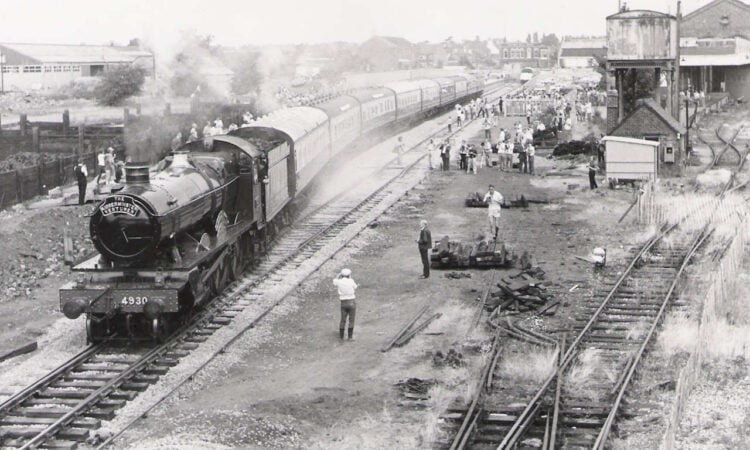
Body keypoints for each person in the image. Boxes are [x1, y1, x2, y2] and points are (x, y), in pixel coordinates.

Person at [333, 268, 358, 341]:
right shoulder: (351, 281)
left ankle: (341, 337)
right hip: (351, 302)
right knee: (351, 319)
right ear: (349, 275)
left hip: (343, 302)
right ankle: (350, 337)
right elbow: (355, 287)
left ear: (342, 275)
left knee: (343, 319)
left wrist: (338, 275)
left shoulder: (339, 282)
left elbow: (334, 281)